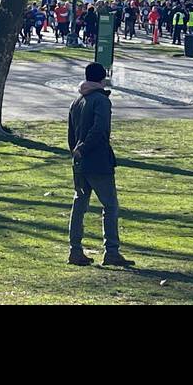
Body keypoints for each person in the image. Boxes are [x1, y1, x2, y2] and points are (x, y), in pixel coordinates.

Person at [67, 62, 132, 268]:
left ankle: (75, 250)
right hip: (97, 160)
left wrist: (77, 152)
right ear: (102, 79)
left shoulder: (77, 101)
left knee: (79, 204)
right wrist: (85, 148)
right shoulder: (101, 101)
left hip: (79, 161)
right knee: (110, 206)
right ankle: (111, 251)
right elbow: (100, 129)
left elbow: (71, 135)